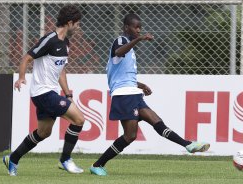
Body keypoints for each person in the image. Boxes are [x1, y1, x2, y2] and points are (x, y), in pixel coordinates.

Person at [89, 13, 210, 176]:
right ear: (126, 27)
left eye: (140, 27)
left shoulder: (131, 50)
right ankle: (98, 165)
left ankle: (187, 145)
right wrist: (138, 40)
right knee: (130, 136)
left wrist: (141, 85)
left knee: (157, 122)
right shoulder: (121, 41)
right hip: (124, 95)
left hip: (133, 93)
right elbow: (118, 52)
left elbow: (123, 75)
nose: (139, 30)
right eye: (136, 27)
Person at [3, 5, 85, 176]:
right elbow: (26, 58)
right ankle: (65, 159)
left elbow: (61, 70)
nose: (78, 27)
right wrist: (21, 77)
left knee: (44, 132)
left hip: (50, 93)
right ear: (69, 23)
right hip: (43, 93)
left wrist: (68, 94)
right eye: (77, 24)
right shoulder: (50, 40)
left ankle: (13, 158)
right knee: (78, 119)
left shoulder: (66, 43)